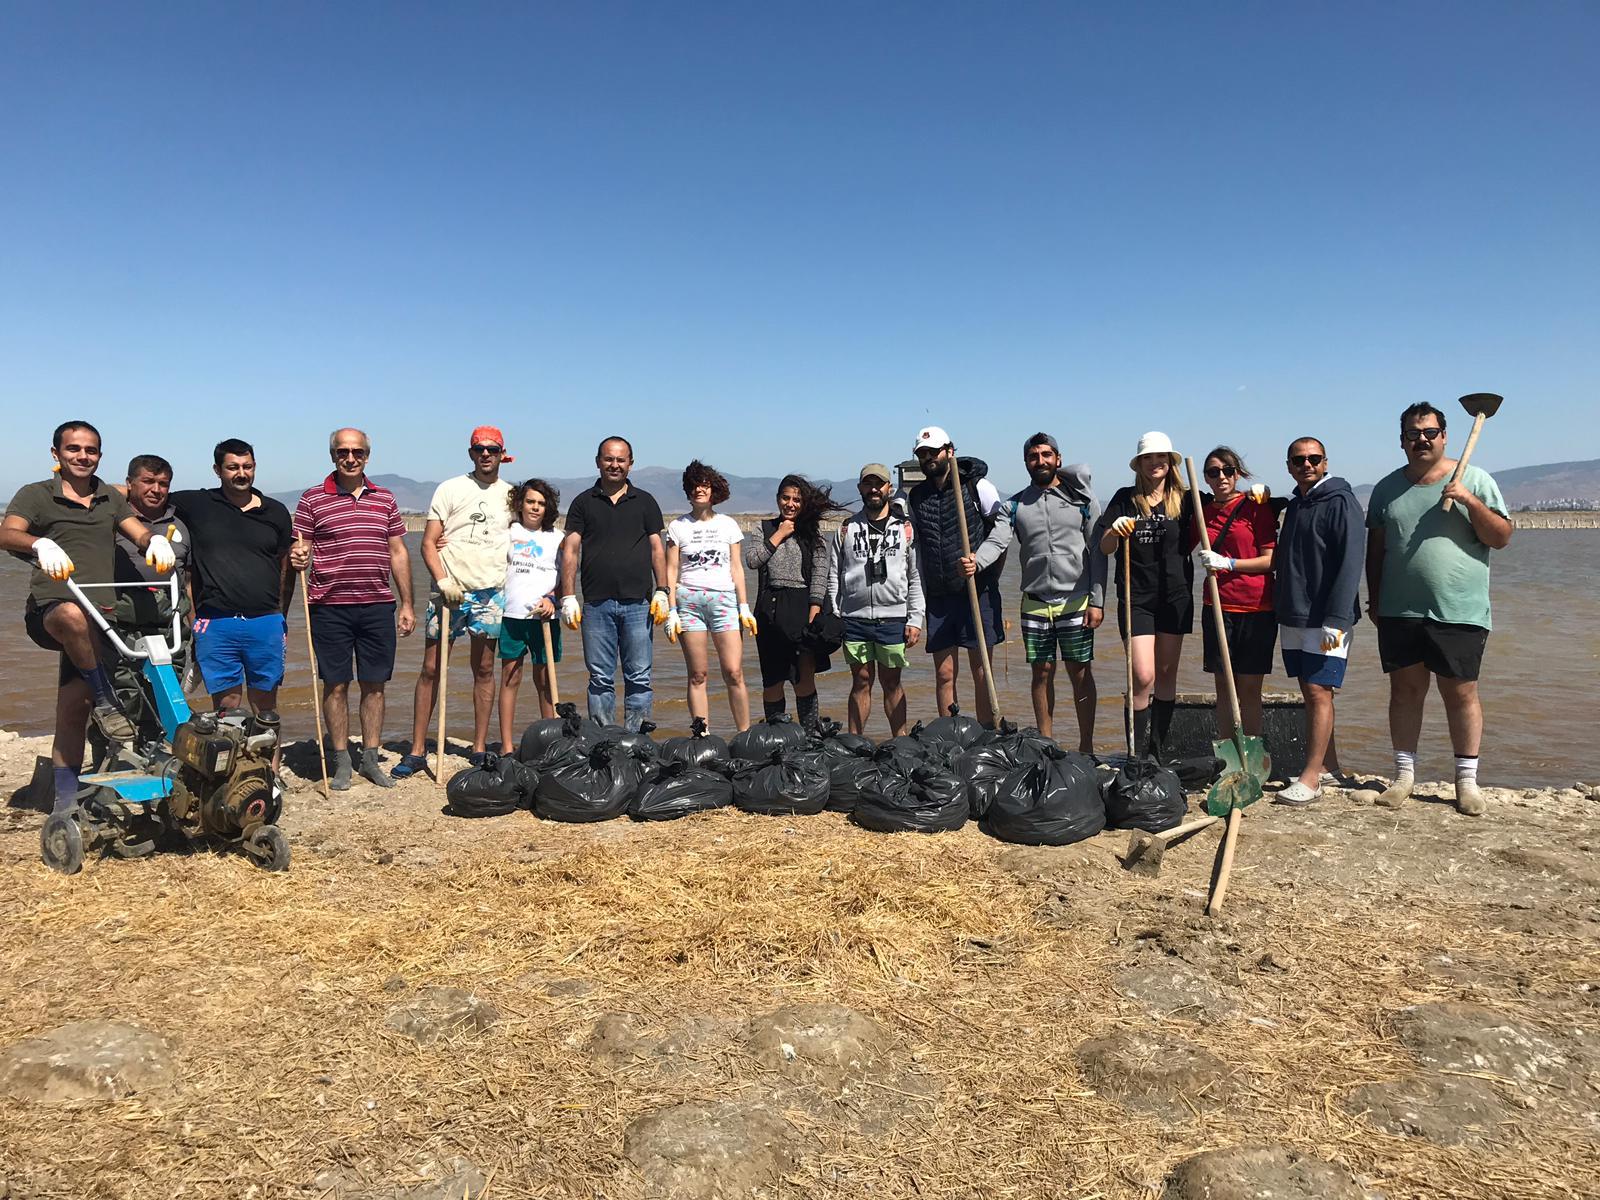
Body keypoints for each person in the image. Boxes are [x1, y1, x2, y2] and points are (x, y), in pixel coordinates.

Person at [1, 421, 176, 812]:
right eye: (73, 449)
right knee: (72, 616)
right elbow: (6, 533)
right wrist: (38, 543)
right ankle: (106, 699)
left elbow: (135, 530)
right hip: (52, 610)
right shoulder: (37, 495)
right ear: (56, 454)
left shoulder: (108, 498)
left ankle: (66, 801)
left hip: (102, 617)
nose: (82, 456)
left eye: (91, 450)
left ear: (100, 455)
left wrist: (154, 542)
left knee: (71, 709)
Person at [1365, 402, 1512, 817]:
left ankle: (1466, 782)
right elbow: (1376, 551)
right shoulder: (1386, 489)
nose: (1422, 439)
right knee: (1405, 691)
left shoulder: (1475, 479)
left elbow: (1500, 537)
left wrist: (1468, 500)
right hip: (1399, 610)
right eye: (1413, 433)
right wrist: (1375, 600)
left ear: (1444, 436)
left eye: (1430, 432)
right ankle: (1403, 776)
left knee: (1461, 693)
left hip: (1459, 609)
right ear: (1402, 441)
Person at [289, 428, 415, 790]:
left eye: (357, 452)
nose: (350, 458)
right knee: (336, 685)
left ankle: (371, 759)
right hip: (329, 606)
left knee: (375, 685)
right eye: (343, 451)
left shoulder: (385, 499)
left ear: (367, 457)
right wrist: (299, 556)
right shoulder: (312, 499)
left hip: (377, 604)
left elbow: (398, 552)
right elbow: (301, 548)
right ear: (332, 455)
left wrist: (407, 603)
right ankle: (342, 760)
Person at [392, 426, 513, 776]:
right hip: (449, 592)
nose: (486, 454)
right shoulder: (450, 488)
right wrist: (443, 579)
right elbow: (428, 542)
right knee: (431, 668)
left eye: (492, 449)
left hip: (490, 592)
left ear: (502, 453)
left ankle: (477, 748)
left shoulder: (511, 495)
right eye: (479, 449)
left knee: (485, 669)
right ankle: (416, 751)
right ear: (471, 452)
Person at [171, 438, 295, 771]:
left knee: (266, 706)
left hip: (265, 621)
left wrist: (281, 616)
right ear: (217, 470)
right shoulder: (197, 504)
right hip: (216, 623)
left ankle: (269, 772)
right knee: (226, 706)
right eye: (233, 467)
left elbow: (286, 567)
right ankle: (232, 771)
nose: (241, 473)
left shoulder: (276, 512)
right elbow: (143, 495)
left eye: (247, 466)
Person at [990, 433, 1103, 751]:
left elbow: (1097, 552)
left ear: (1058, 459)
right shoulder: (1014, 504)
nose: (1040, 461)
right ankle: (1047, 744)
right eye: (1033, 456)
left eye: (1046, 455)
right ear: (1025, 462)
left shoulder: (1081, 500)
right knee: (1041, 673)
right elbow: (997, 542)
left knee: (1080, 673)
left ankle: (1087, 747)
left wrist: (1097, 600)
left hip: (1076, 600)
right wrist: (975, 560)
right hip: (1035, 601)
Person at [1270, 437, 1363, 806]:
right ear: (1289, 466)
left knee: (1319, 691)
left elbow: (1350, 562)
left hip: (1327, 619)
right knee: (1309, 691)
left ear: (1325, 462)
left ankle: (1310, 778)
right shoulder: (1295, 505)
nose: (1306, 465)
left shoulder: (1342, 502)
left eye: (1313, 459)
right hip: (1293, 614)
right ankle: (1329, 766)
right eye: (1298, 460)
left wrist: (1337, 619)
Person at [1095, 431, 1195, 760]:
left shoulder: (1188, 498)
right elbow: (1105, 547)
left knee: (1166, 675)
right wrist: (1116, 529)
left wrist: (1262, 497)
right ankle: (1136, 754)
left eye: (1161, 457)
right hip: (1136, 597)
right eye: (1148, 458)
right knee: (1142, 675)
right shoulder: (1125, 499)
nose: (1155, 463)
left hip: (1175, 597)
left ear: (1170, 462)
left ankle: (1158, 753)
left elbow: (1225, 511)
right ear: (1138, 463)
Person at [558, 436, 668, 732]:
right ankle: (603, 739)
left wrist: (663, 590)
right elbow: (571, 549)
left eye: (621, 459)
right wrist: (567, 596)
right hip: (596, 604)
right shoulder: (583, 502)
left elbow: (658, 548)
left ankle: (636, 740)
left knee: (639, 678)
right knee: (600, 678)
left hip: (639, 603)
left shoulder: (645, 501)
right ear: (598, 462)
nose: (614, 465)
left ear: (631, 463)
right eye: (608, 459)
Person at [907, 426, 1009, 728]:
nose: (928, 458)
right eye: (922, 454)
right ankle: (947, 736)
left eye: (933, 452)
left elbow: (1003, 532)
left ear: (949, 451)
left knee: (982, 672)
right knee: (944, 674)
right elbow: (915, 547)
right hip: (939, 596)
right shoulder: (917, 496)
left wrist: (982, 564)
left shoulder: (978, 487)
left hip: (977, 592)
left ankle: (987, 735)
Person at [824, 464, 924, 737]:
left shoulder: (905, 529)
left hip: (893, 618)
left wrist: (915, 619)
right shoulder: (847, 529)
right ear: (860, 489)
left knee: (892, 683)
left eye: (879, 484)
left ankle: (900, 742)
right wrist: (835, 612)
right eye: (868, 484)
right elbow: (834, 573)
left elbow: (915, 577)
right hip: (854, 619)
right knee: (861, 681)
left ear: (889, 488)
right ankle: (856, 743)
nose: (873, 489)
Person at [663, 461, 757, 732]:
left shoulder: (728, 525)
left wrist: (744, 606)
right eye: (693, 485)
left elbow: (736, 567)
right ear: (687, 491)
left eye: (704, 484)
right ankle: (701, 735)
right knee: (697, 674)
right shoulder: (677, 527)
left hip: (724, 601)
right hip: (688, 602)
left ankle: (744, 735)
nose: (699, 489)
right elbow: (671, 570)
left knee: (734, 672)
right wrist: (671, 610)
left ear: (713, 489)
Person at [1196, 446, 1277, 741]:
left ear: (1238, 473)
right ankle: (1228, 755)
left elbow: (1271, 560)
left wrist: (1229, 563)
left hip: (1256, 608)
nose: (1221, 477)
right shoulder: (1203, 511)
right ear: (1205, 478)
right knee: (1224, 688)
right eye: (1213, 472)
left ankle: (1252, 753)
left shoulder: (1256, 506)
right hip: (1217, 606)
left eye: (1228, 471)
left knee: (1250, 689)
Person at [745, 474, 839, 728]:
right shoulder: (763, 528)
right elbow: (753, 561)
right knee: (772, 678)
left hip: (802, 606)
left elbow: (821, 572)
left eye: (797, 499)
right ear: (777, 499)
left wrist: (815, 608)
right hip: (770, 609)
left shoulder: (813, 532)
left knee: (803, 677)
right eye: (786, 498)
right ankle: (778, 734)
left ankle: (810, 733)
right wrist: (779, 534)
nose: (791, 504)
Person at [111, 453, 195, 735]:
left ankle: (158, 751)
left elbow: (188, 580)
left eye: (163, 483)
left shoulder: (181, 524)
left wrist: (193, 627)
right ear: (129, 484)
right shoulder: (110, 519)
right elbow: (98, 490)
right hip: (122, 627)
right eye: (147, 481)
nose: (156, 490)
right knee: (124, 700)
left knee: (166, 700)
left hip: (170, 628)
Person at [498, 478, 565, 751]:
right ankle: (506, 745)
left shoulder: (557, 538)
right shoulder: (508, 532)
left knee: (545, 680)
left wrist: (552, 598)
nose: (535, 508)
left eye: (540, 503)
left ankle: (550, 743)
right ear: (520, 504)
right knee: (510, 678)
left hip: (545, 619)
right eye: (530, 502)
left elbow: (566, 577)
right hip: (511, 616)